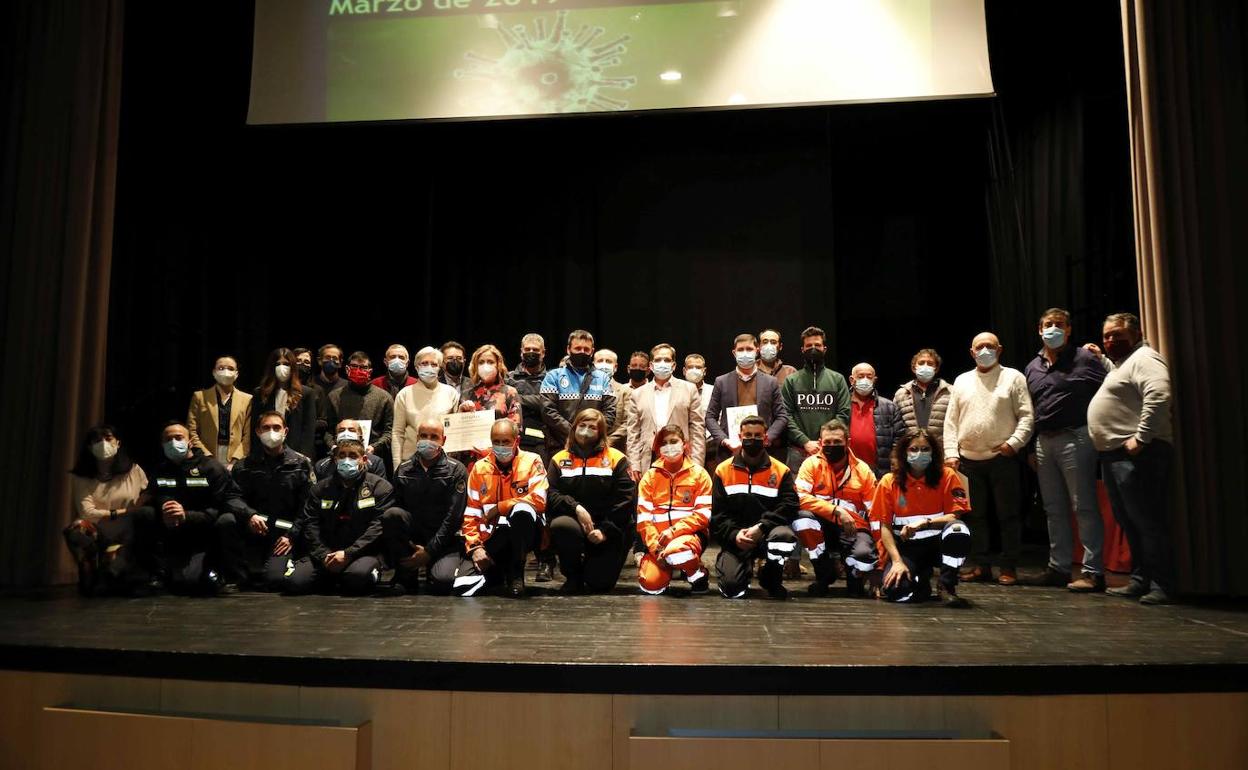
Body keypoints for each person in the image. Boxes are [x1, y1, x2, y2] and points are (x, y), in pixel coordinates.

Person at [1087, 312, 1175, 605]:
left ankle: (1162, 584)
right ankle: (1140, 579)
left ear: (1136, 334)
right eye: (1107, 335)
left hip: (1139, 454)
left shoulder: (1146, 358)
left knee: (1147, 521)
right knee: (1131, 522)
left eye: (1117, 335)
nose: (1111, 340)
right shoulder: (1122, 365)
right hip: (1115, 455)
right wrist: (1101, 358)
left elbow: (1159, 394)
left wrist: (1142, 437)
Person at [1022, 308, 1108, 592]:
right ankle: (1058, 568)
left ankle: (1093, 571)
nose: (1053, 329)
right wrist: (1032, 446)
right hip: (1044, 441)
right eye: (1048, 324)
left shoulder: (1085, 359)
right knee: (1053, 508)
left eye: (1059, 325)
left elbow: (1111, 389)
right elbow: (1033, 408)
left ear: (1069, 330)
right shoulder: (1032, 366)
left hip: (1076, 437)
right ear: (1039, 329)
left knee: (1083, 505)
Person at [943, 332, 1035, 586]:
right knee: (975, 516)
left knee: (1008, 515)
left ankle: (1008, 567)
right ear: (972, 352)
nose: (984, 350)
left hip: (1002, 459)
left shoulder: (1013, 377)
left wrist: (1014, 444)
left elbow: (1027, 416)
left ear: (1000, 349)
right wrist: (951, 453)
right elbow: (951, 422)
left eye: (989, 346)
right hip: (969, 461)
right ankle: (981, 565)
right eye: (979, 347)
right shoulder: (962, 380)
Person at [433, 419, 547, 597]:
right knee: (449, 583)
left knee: (522, 511)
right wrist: (475, 547)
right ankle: (496, 573)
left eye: (506, 441)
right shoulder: (479, 468)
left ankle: (516, 574)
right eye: (496, 442)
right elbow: (471, 513)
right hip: (491, 537)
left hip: (526, 534)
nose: (501, 446)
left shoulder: (532, 461)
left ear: (516, 441)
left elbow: (539, 500)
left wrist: (501, 507)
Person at [135, 421, 248, 595]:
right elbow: (156, 494)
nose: (173, 442)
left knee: (227, 520)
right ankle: (157, 574)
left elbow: (219, 506)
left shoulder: (211, 468)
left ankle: (227, 576)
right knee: (145, 514)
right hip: (171, 529)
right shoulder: (160, 470)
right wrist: (165, 506)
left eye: (178, 438)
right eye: (168, 439)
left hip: (204, 529)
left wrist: (186, 515)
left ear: (189, 442)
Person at [273, 438, 393, 595]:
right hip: (326, 553)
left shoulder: (380, 487)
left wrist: (348, 554)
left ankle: (340, 576)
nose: (346, 460)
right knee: (295, 582)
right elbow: (310, 525)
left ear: (363, 459)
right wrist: (323, 555)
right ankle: (331, 574)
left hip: (362, 553)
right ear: (335, 459)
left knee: (356, 579)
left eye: (353, 455)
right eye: (342, 456)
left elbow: (377, 527)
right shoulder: (320, 489)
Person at [874, 429, 973, 607]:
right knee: (895, 591)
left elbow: (955, 515)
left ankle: (947, 584)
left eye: (925, 449)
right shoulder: (889, 482)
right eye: (914, 449)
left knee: (959, 530)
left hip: (938, 545)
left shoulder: (948, 476)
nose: (919, 453)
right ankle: (921, 580)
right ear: (904, 452)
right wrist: (896, 561)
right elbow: (885, 527)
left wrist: (924, 524)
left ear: (933, 452)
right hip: (907, 548)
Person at [710, 415, 799, 599]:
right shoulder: (723, 470)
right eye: (748, 435)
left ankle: (771, 577)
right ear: (740, 437)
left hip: (767, 534)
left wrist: (761, 527)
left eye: (758, 436)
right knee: (732, 590)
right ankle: (743, 567)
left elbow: (790, 505)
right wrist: (735, 535)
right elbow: (718, 516)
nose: (753, 439)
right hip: (737, 538)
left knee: (784, 536)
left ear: (766, 438)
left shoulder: (781, 471)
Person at [546, 409, 635, 593]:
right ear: (574, 428)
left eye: (592, 427)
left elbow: (624, 501)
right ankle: (573, 576)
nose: (585, 431)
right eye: (582, 425)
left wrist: (604, 530)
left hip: (610, 527)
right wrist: (576, 507)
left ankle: (593, 566)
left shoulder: (617, 459)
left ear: (600, 432)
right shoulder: (559, 459)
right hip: (575, 522)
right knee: (560, 526)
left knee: (599, 584)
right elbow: (551, 494)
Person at [225, 411, 315, 590]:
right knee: (226, 521)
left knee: (275, 580)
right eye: (266, 428)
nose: (271, 432)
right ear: (258, 431)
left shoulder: (301, 464)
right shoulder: (243, 466)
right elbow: (232, 497)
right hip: (255, 531)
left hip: (285, 536)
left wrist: (292, 536)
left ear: (285, 431)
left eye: (276, 427)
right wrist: (249, 515)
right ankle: (240, 574)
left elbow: (308, 506)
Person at [380, 418, 468, 594]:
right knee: (392, 514)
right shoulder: (403, 469)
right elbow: (397, 511)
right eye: (424, 436)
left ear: (443, 440)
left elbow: (454, 518)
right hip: (413, 539)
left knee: (443, 582)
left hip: (444, 541)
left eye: (434, 437)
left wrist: (429, 551)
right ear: (417, 438)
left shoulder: (456, 470)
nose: (428, 440)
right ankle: (406, 573)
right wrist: (412, 546)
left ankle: (432, 567)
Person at [793, 419, 878, 597]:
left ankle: (855, 575)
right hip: (822, 526)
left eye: (837, 442)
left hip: (853, 528)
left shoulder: (863, 471)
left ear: (848, 442)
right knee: (802, 519)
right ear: (820, 443)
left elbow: (876, 515)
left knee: (863, 560)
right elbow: (799, 497)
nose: (832, 446)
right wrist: (835, 510)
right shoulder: (811, 464)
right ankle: (824, 574)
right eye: (828, 443)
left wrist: (881, 562)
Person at [64, 425, 152, 595]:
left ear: (118, 443)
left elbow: (147, 496)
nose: (103, 443)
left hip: (129, 534)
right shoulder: (81, 477)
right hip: (99, 533)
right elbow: (87, 513)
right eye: (97, 440)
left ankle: (123, 570)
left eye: (108, 438)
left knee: (117, 579)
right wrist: (123, 512)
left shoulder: (133, 470)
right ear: (89, 447)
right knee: (77, 529)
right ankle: (91, 570)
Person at [636, 424, 713, 595]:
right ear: (658, 448)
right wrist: (656, 550)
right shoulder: (649, 477)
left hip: (689, 538)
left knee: (678, 552)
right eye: (664, 443)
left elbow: (703, 515)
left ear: (685, 444)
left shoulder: (700, 475)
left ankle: (696, 575)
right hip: (658, 542)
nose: (669, 446)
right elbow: (644, 521)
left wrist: (673, 532)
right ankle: (670, 567)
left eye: (674, 441)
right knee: (650, 584)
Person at [705, 333, 789, 467]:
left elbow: (782, 416)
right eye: (740, 350)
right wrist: (724, 440)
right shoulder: (721, 381)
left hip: (763, 451)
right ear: (734, 353)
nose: (745, 353)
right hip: (730, 452)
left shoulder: (770, 382)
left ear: (757, 351)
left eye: (749, 349)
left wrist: (767, 438)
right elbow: (710, 417)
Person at [626, 343, 706, 479]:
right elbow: (633, 433)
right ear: (651, 366)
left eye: (667, 360)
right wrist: (634, 464)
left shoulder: (689, 389)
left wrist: (697, 463)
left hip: (682, 456)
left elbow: (697, 429)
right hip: (649, 458)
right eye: (658, 360)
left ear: (673, 365)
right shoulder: (637, 394)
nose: (662, 363)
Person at [781, 326, 850, 472]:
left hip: (829, 449)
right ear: (802, 349)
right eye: (809, 346)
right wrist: (805, 442)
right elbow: (786, 415)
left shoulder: (837, 379)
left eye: (817, 345)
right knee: (796, 493)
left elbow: (843, 413)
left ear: (824, 348)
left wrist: (824, 441)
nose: (813, 349)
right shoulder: (791, 380)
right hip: (798, 451)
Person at [540, 329, 617, 458]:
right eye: (578, 348)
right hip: (559, 445)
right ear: (568, 350)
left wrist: (591, 433)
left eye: (586, 350)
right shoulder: (553, 376)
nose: (582, 352)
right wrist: (575, 433)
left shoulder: (603, 378)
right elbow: (548, 411)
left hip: (595, 447)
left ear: (592, 352)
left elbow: (610, 412)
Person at [393, 346, 461, 466]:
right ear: (416, 366)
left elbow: (455, 431)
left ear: (440, 368)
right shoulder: (404, 394)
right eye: (424, 363)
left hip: (442, 464)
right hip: (410, 463)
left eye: (434, 364)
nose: (429, 367)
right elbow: (397, 433)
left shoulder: (451, 393)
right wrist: (397, 466)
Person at [325, 351, 394, 468]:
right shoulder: (334, 396)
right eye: (354, 366)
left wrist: (374, 447)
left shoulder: (384, 397)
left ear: (370, 371)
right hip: (340, 457)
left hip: (373, 457)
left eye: (363, 367)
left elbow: (389, 431)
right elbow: (328, 431)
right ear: (347, 369)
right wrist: (333, 447)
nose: (358, 370)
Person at [186, 355, 253, 468]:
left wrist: (235, 460)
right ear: (214, 372)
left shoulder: (247, 399)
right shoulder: (200, 397)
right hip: (206, 455)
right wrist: (208, 457)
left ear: (237, 373)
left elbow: (248, 435)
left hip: (236, 457)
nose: (226, 371)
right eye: (221, 368)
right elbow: (191, 431)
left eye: (231, 368)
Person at [252, 347, 317, 459]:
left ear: (293, 367)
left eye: (286, 364)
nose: (282, 367)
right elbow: (255, 425)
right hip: (265, 452)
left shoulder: (306, 393)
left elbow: (308, 429)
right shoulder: (260, 393)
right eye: (278, 364)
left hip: (296, 453)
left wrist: (304, 455)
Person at [847, 362, 906, 478]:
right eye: (860, 376)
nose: (865, 380)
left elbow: (900, 439)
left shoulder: (889, 407)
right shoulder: (841, 406)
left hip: (880, 471)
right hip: (848, 470)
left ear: (874, 380)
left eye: (869, 377)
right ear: (851, 380)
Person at [508, 333, 551, 463]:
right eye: (527, 350)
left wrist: (516, 398)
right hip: (513, 439)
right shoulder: (508, 378)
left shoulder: (551, 378)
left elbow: (546, 402)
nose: (531, 352)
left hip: (542, 441)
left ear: (543, 353)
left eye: (536, 350)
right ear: (521, 352)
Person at [458, 344, 521, 429]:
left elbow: (516, 427)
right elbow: (458, 428)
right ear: (475, 366)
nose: (485, 366)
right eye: (481, 362)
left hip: (499, 441)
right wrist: (460, 413)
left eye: (490, 362)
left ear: (498, 365)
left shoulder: (509, 392)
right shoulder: (466, 394)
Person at [893, 349, 952, 436]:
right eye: (921, 363)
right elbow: (895, 426)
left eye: (930, 363)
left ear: (936, 369)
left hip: (940, 448)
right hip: (911, 447)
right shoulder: (901, 394)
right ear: (914, 368)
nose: (925, 366)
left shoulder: (950, 392)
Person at [314, 419, 387, 479]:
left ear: (361, 437)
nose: (346, 433)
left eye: (351, 430)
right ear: (336, 438)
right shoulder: (322, 465)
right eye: (341, 430)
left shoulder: (375, 463)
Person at [593, 348, 632, 451]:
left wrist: (608, 441)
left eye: (608, 361)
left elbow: (628, 422)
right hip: (588, 446)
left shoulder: (625, 391)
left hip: (616, 449)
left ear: (615, 367)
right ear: (593, 364)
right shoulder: (585, 390)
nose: (604, 364)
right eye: (600, 361)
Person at [293, 347, 328, 458]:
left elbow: (323, 421)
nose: (302, 364)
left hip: (310, 443)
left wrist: (303, 424)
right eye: (298, 361)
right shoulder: (283, 388)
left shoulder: (317, 390)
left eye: (306, 362)